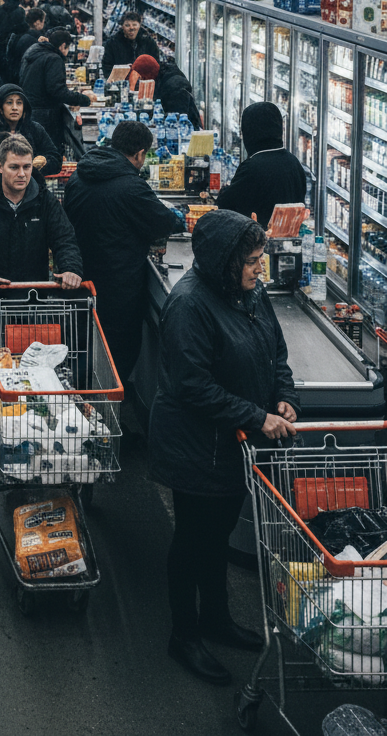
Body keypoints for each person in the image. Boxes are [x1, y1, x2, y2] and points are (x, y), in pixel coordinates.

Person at [150, 210, 298, 685]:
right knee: (192, 541)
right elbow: (193, 386)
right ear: (223, 261)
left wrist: (285, 396)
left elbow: (276, 351)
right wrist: (259, 417)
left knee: (216, 535)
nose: (260, 269)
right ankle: (184, 635)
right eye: (252, 260)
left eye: (261, 259)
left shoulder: (249, 292)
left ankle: (216, 618)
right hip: (197, 446)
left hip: (235, 444)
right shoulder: (189, 305)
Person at [63, 120, 182, 413]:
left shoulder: (81, 173)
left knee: (83, 347)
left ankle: (77, 411)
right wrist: (179, 214)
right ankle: (104, 422)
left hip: (80, 278)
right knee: (117, 354)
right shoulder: (131, 186)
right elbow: (165, 222)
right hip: (119, 285)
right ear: (140, 154)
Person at [0, 133, 83, 308]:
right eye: (14, 167)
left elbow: (64, 239)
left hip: (33, 299)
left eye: (27, 167)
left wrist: (70, 269)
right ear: (0, 166)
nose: (22, 174)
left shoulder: (44, 200)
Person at [215, 102, 307, 227]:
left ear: (250, 132)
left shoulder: (252, 167)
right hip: (289, 240)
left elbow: (226, 204)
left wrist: (224, 190)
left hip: (258, 241)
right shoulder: (294, 163)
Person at [19, 27, 92, 155]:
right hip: (46, 116)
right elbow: (58, 91)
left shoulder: (33, 52)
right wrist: (84, 99)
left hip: (31, 111)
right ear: (63, 45)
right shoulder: (54, 58)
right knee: (49, 154)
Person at [0, 83, 61, 186]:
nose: (15, 107)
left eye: (19, 103)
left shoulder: (34, 129)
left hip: (31, 190)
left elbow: (55, 159)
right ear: (0, 108)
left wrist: (42, 163)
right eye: (9, 103)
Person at [131, 54, 203, 130]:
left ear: (148, 75)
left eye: (143, 77)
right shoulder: (163, 76)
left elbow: (176, 119)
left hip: (186, 133)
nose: (142, 80)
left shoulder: (174, 87)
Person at [102, 12, 161, 79]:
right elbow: (107, 67)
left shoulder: (149, 42)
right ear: (122, 26)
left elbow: (156, 65)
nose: (131, 28)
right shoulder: (112, 43)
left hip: (144, 82)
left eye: (134, 25)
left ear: (139, 25)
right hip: (121, 83)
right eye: (127, 25)